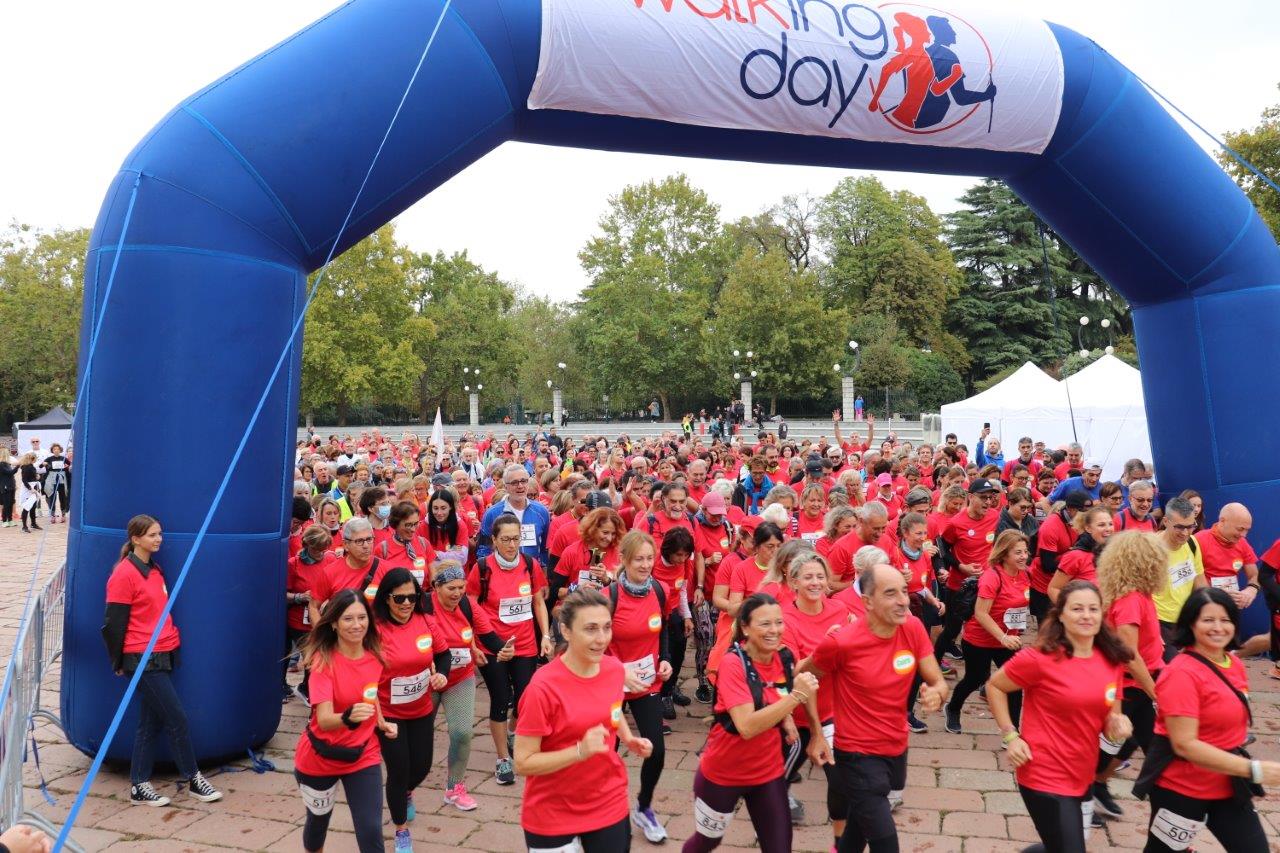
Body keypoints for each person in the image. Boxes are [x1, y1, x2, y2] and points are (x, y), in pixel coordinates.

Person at [799, 563, 948, 852]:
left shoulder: (913, 628)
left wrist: (937, 694)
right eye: (891, 594)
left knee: (856, 832)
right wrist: (817, 733)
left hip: (895, 749)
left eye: (904, 591)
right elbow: (806, 680)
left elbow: (938, 681)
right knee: (884, 842)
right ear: (867, 601)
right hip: (856, 754)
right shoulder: (841, 642)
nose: (903, 600)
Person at [985, 580, 1134, 853]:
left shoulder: (1112, 660)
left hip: (1082, 773)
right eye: (1077, 609)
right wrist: (1011, 735)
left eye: (1093, 609)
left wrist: (1118, 725)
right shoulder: (1040, 658)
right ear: (1061, 615)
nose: (1086, 616)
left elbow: (1111, 722)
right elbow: (995, 686)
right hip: (1044, 773)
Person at [1135, 588, 1280, 853]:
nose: (1218, 627)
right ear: (1191, 623)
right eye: (1208, 620)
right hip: (1181, 791)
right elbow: (1185, 745)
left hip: (1229, 785)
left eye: (1225, 620)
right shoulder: (1180, 673)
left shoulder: (1233, 665)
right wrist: (1254, 769)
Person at [515, 588, 654, 852]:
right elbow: (523, 762)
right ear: (566, 631)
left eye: (607, 627)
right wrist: (579, 751)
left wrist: (628, 738)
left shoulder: (613, 669)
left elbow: (611, 709)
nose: (602, 639)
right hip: (551, 812)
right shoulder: (542, 688)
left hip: (607, 800)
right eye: (590, 629)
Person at [683, 593, 822, 853]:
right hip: (722, 774)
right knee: (707, 842)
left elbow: (786, 687)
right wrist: (794, 700)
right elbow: (746, 726)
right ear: (745, 627)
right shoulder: (733, 664)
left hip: (767, 773)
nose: (775, 630)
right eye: (765, 624)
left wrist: (804, 726)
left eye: (779, 623)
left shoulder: (784, 656)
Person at [101, 514, 223, 808]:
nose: (159, 539)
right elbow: (113, 623)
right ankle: (193, 778)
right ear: (136, 538)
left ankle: (139, 785)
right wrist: (118, 661)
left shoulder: (154, 569)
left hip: (163, 652)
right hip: (141, 657)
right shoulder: (124, 573)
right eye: (153, 535)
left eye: (160, 534)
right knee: (176, 718)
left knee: (149, 722)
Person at [293, 589, 395, 853]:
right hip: (319, 758)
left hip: (363, 754)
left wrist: (380, 721)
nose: (357, 625)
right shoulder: (323, 662)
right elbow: (325, 719)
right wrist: (349, 718)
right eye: (348, 619)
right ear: (335, 623)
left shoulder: (375, 656)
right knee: (317, 823)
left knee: (371, 829)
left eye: (362, 618)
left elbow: (370, 694)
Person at [468, 513, 554, 785]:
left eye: (516, 539)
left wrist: (546, 635)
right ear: (493, 540)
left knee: (525, 697)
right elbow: (470, 604)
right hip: (493, 644)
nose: (511, 544)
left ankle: (514, 733)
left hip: (525, 642)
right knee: (501, 698)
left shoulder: (530, 565)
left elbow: (538, 601)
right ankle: (503, 758)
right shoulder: (481, 568)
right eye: (505, 539)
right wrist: (475, 642)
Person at [371, 568, 452, 851]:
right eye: (399, 598)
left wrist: (441, 673)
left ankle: (406, 792)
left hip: (420, 708)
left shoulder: (425, 621)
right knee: (399, 768)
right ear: (387, 599)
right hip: (388, 714)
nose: (406, 604)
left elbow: (444, 653)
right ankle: (401, 829)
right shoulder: (376, 628)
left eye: (412, 597)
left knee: (422, 766)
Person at [1092, 531, 1169, 823]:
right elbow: (1129, 654)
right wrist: (1156, 692)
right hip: (1129, 685)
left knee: (1132, 742)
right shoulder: (1131, 599)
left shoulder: (1137, 594)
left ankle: (1096, 784)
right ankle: (1083, 791)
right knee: (1125, 743)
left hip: (1139, 681)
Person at [606, 531, 676, 843]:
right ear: (623, 560)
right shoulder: (611, 596)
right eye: (639, 560)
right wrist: (618, 670)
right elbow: (593, 644)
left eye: (649, 558)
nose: (646, 565)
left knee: (656, 751)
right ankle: (603, 811)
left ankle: (644, 807)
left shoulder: (659, 590)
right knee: (607, 751)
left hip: (647, 681)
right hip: (611, 683)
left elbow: (662, 630)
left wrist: (665, 660)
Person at [780, 551, 851, 845]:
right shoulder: (784, 618)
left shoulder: (839, 609)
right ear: (793, 581)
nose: (815, 582)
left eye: (820, 576)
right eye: (808, 577)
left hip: (832, 711)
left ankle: (840, 845)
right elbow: (793, 673)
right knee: (772, 782)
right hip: (792, 717)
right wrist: (823, 648)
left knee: (841, 781)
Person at [426, 561, 505, 811]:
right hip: (426, 680)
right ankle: (405, 788)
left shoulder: (467, 606)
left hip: (460, 677)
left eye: (461, 587)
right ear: (436, 587)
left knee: (462, 733)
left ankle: (455, 787)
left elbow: (490, 637)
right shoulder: (422, 606)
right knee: (418, 739)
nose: (458, 593)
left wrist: (505, 648)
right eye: (451, 588)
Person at [945, 530, 1032, 734]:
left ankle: (1012, 731)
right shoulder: (992, 577)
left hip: (1009, 640)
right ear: (1004, 554)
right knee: (975, 679)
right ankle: (953, 708)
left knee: (1015, 683)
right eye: (1018, 552)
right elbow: (981, 613)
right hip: (980, 640)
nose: (1023, 556)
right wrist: (1002, 636)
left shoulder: (1026, 573)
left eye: (1025, 552)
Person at [1151, 497, 1207, 661]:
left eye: (1190, 526)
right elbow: (1139, 592)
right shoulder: (1151, 549)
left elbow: (1199, 580)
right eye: (1179, 527)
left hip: (1185, 621)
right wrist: (1152, 630)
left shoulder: (1192, 543)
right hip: (1160, 622)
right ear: (1166, 521)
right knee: (1173, 670)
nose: (1185, 533)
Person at [1049, 506, 1114, 603]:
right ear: (1088, 528)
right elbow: (1053, 589)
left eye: (1110, 524)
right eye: (1101, 525)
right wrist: (1071, 612)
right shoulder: (1075, 556)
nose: (1108, 529)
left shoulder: (1115, 553)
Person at [40, 443, 70, 523]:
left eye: (57, 449)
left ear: (60, 450)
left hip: (61, 480)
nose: (56, 450)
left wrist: (68, 467)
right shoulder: (49, 458)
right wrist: (43, 464)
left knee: (62, 497)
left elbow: (69, 464)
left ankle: (63, 515)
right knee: (52, 498)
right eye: (54, 449)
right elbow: (40, 466)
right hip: (51, 480)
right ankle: (52, 515)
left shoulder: (63, 458)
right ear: (52, 451)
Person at [0, 447, 16, 527]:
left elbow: (11, 474)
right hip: (5, 486)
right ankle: (4, 520)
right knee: (6, 504)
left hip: (11, 485)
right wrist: (18, 466)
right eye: (7, 453)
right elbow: (10, 473)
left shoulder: (7, 464)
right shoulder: (1, 464)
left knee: (10, 503)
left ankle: (10, 520)